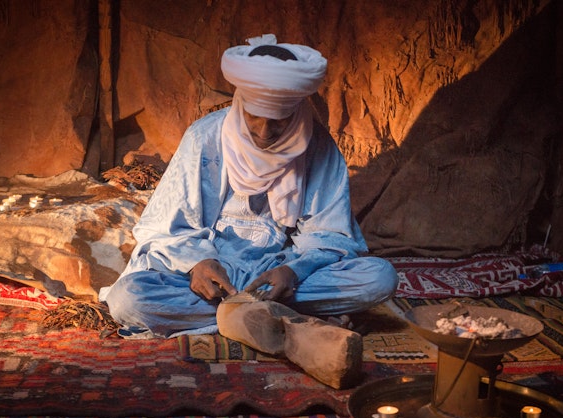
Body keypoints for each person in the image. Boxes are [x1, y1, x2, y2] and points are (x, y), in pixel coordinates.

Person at [103, 34, 398, 339]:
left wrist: (293, 272)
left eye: (278, 121)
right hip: (213, 278)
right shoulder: (204, 137)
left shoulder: (318, 146)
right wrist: (197, 264)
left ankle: (248, 314)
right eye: (254, 117)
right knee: (128, 299)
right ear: (240, 103)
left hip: (278, 275)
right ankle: (283, 318)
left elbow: (329, 235)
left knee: (380, 279)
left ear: (296, 111)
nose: (263, 131)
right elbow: (166, 227)